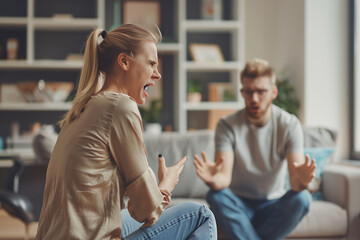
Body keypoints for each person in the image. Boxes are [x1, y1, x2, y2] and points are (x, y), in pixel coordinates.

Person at [36, 24, 216, 240]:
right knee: (200, 214)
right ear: (124, 61)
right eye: (151, 64)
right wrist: (166, 186)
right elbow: (147, 212)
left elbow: (133, 208)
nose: (157, 74)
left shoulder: (85, 108)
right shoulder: (120, 106)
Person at [193, 59, 315, 240]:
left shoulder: (289, 125)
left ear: (273, 92)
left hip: (273, 205)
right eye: (248, 92)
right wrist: (214, 180)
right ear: (242, 92)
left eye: (261, 91)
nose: (254, 99)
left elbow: (296, 182)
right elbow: (223, 179)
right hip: (239, 204)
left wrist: (303, 181)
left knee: (302, 199)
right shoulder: (227, 125)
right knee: (216, 196)